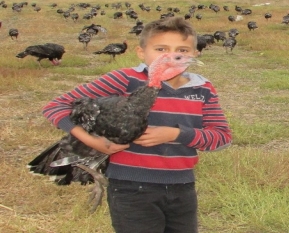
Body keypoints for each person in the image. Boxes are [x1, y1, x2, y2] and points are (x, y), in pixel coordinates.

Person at [42, 16, 232, 233]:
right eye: (161, 49)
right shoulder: (125, 79)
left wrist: (175, 134)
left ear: (195, 53)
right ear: (141, 52)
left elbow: (222, 138)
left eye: (181, 51)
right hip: (130, 186)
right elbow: (56, 106)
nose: (170, 57)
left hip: (182, 187)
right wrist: (93, 142)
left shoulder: (202, 89)